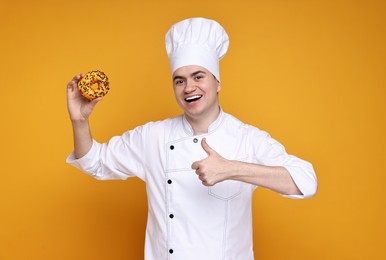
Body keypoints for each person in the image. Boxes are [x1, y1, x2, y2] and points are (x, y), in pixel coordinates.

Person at [66, 17, 317, 260]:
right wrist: (79, 121)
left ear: (217, 82)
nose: (189, 88)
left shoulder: (246, 138)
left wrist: (231, 169)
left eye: (198, 77)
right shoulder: (153, 137)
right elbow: (94, 162)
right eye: (180, 80)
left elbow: (305, 182)